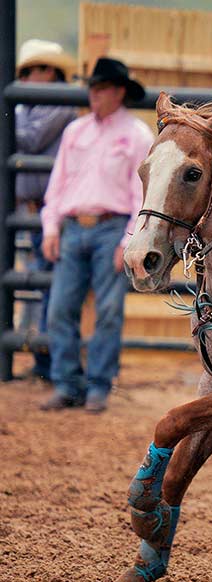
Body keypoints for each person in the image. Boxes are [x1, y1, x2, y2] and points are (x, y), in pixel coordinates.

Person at [39, 58, 153, 413]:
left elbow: (141, 194)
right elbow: (58, 183)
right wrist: (51, 226)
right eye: (92, 89)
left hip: (111, 227)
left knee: (107, 310)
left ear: (119, 92)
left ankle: (97, 385)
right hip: (75, 225)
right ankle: (68, 383)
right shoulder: (76, 131)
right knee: (61, 308)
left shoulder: (137, 135)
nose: (94, 95)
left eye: (101, 89)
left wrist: (128, 238)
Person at [14, 40, 78, 381]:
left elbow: (31, 139)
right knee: (41, 285)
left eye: (32, 70)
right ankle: (44, 362)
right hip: (30, 209)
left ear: (49, 72)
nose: (26, 77)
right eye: (24, 72)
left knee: (51, 286)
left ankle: (51, 364)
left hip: (48, 210)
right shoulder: (28, 106)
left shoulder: (59, 105)